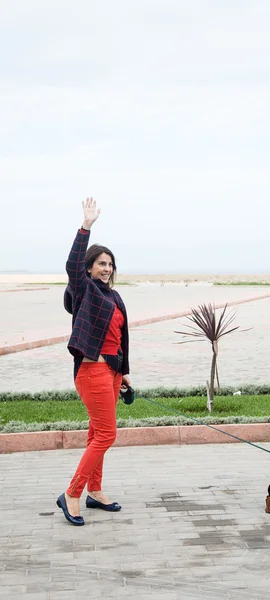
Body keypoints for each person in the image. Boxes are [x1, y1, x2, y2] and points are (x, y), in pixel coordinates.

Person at [56, 197, 131, 526]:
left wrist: (124, 373)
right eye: (101, 263)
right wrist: (86, 226)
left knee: (96, 433)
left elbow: (119, 338)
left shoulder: (114, 296)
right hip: (91, 370)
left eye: (110, 264)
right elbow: (72, 265)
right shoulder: (84, 290)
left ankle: (95, 490)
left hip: (112, 372)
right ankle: (72, 493)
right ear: (88, 268)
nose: (107, 268)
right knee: (106, 434)